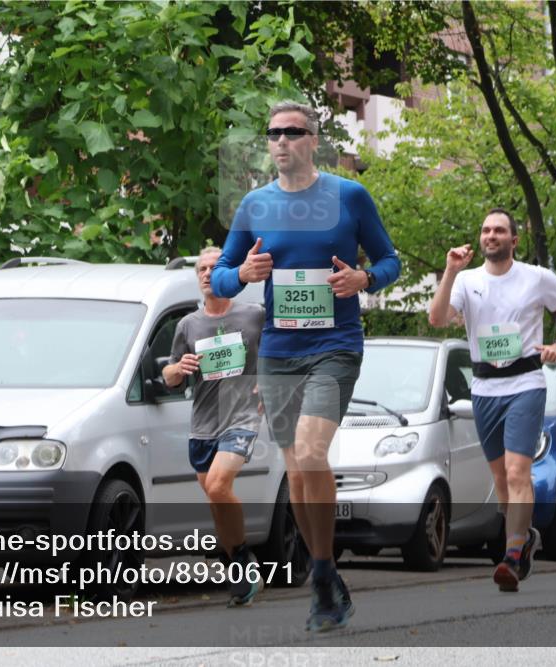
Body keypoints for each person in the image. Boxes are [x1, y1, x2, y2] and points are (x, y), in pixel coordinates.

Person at [210, 101, 400, 631]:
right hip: (279, 351)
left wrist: (365, 281)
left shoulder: (348, 196)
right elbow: (221, 278)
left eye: (293, 132)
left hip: (336, 345)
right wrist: (243, 271)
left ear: (314, 140)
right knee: (297, 467)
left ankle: (321, 570)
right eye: (273, 133)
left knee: (313, 451)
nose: (281, 141)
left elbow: (390, 262)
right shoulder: (254, 205)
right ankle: (323, 571)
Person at [428, 208, 556, 592]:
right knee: (500, 478)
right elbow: (437, 318)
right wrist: (449, 271)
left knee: (518, 472)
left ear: (514, 240)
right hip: (484, 388)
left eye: (499, 230)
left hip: (526, 382)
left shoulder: (536, 277)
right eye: (485, 230)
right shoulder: (466, 280)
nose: (490, 235)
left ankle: (513, 554)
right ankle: (525, 535)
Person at [163, 247, 267, 606]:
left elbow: (283, 352)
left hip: (242, 417)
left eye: (214, 268)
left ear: (228, 272)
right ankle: (238, 564)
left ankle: (243, 560)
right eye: (201, 269)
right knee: (214, 498)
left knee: (220, 485)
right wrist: (178, 370)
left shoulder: (255, 316)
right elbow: (169, 373)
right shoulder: (188, 325)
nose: (207, 274)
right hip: (203, 423)